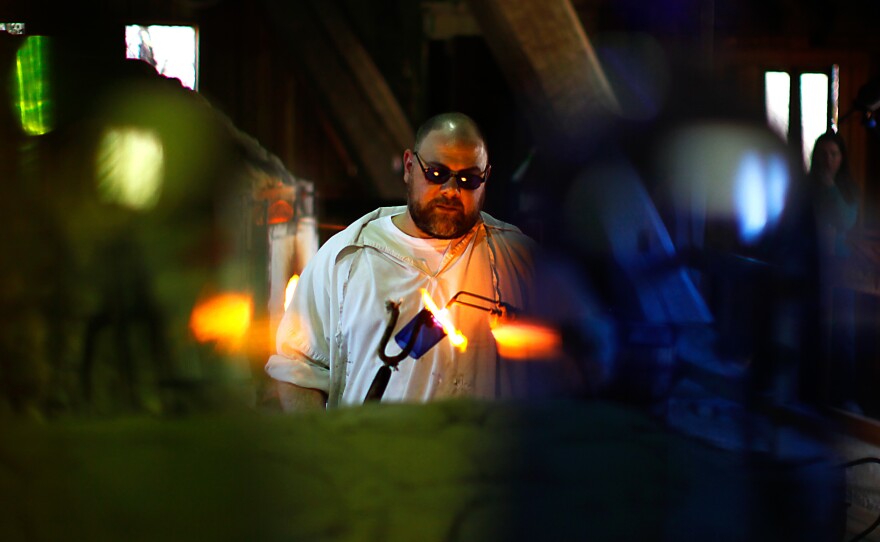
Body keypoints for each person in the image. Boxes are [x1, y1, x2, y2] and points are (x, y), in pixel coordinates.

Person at [265, 112, 539, 410]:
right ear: (409, 166)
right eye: (436, 173)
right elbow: (298, 368)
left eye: (469, 179)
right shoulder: (348, 256)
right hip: (373, 453)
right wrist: (320, 449)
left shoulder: (518, 258)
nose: (451, 190)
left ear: (486, 178)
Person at [808, 131, 861, 412]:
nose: (828, 160)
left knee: (844, 336)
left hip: (841, 270)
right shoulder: (805, 188)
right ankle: (811, 396)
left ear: (842, 159)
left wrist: (829, 186)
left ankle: (844, 399)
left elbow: (844, 220)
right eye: (824, 154)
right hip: (810, 268)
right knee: (812, 332)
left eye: (834, 154)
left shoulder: (848, 190)